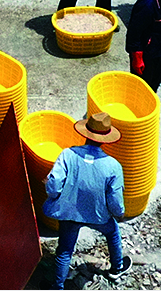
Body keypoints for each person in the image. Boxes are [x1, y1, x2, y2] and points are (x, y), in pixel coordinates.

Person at [44, 112, 131, 288]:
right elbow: (114, 198)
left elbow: (53, 185)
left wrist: (53, 196)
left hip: (69, 213)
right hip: (98, 215)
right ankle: (116, 269)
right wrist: (119, 214)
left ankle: (57, 286)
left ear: (85, 133)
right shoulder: (113, 166)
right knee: (113, 233)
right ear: (106, 139)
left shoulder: (67, 154)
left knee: (64, 250)